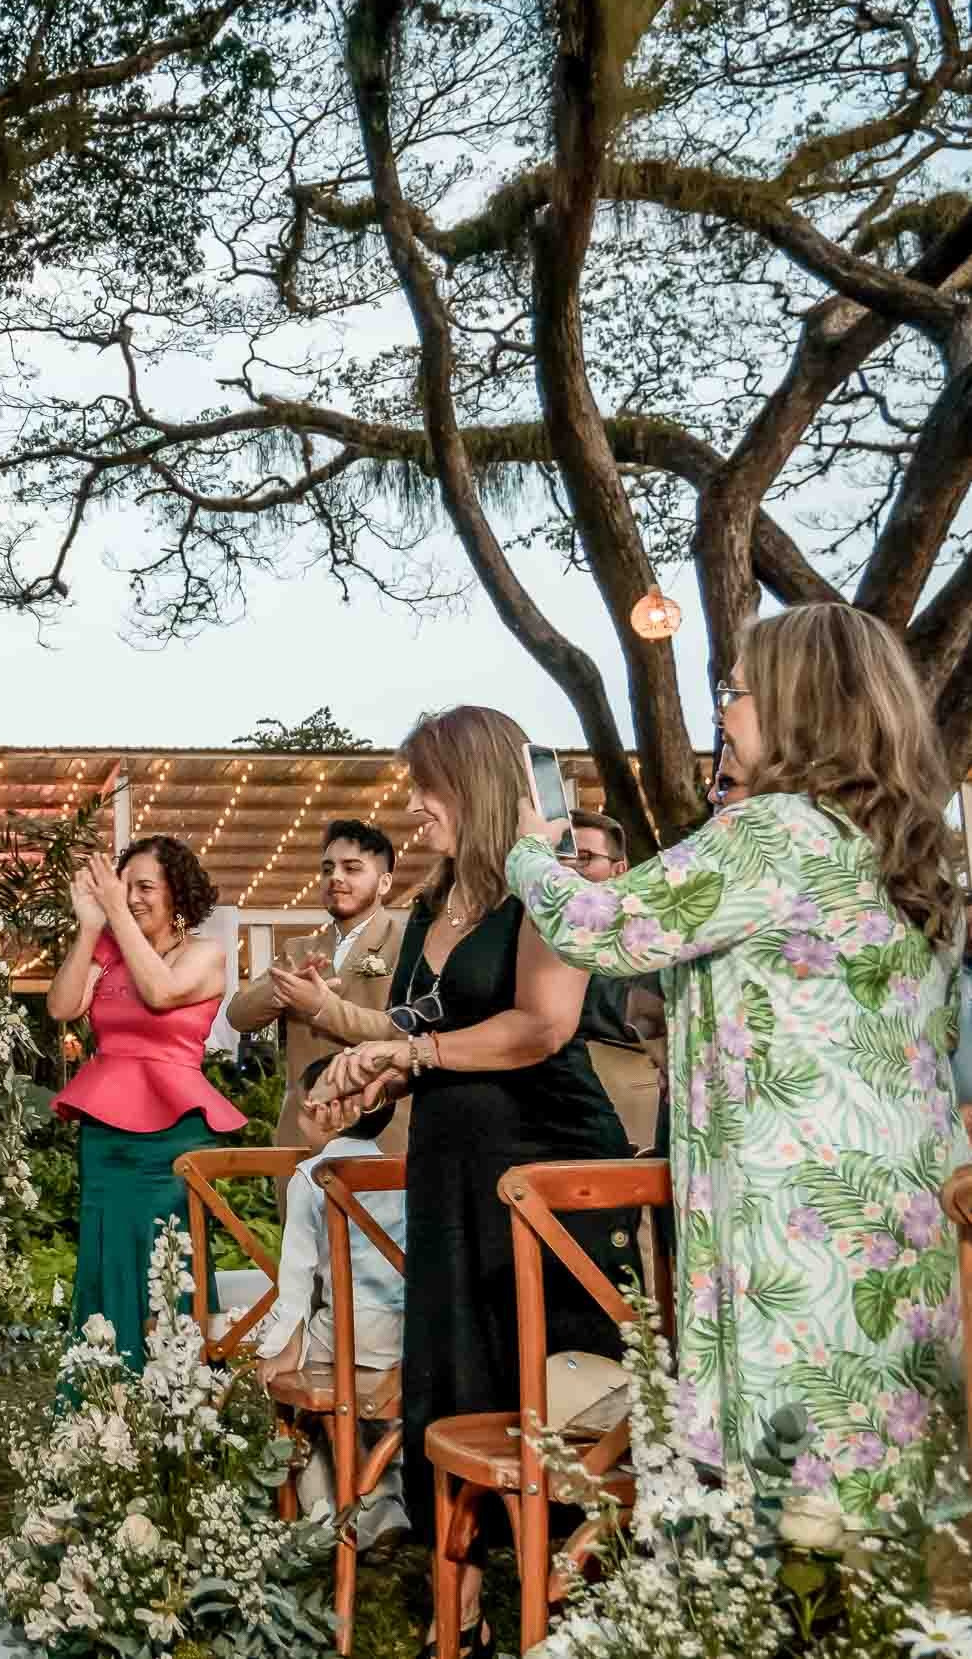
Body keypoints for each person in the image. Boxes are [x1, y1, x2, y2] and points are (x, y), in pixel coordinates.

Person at [508, 605, 968, 1516]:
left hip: (795, 1211)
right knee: (885, 1483)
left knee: (789, 1489)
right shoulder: (908, 848)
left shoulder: (772, 833)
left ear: (801, 706)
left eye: (739, 691)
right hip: (903, 1205)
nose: (723, 710)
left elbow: (599, 924)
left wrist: (528, 848)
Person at [319, 705, 630, 1657]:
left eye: (430, 788)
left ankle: (581, 1606)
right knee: (446, 1379)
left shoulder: (548, 891)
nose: (415, 807)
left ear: (479, 785)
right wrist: (366, 1074)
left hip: (546, 1174)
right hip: (449, 1174)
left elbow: (541, 1025)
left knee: (552, 1392)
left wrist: (416, 1055)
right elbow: (418, 1033)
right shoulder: (429, 905)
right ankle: (456, 1619)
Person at [46, 835, 241, 1367]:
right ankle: (106, 1390)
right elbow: (62, 1006)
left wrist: (114, 911)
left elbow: (161, 992)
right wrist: (90, 927)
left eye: (145, 887)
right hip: (106, 1134)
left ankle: (177, 1392)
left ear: (176, 892)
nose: (130, 897)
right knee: (106, 1255)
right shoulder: (107, 952)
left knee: (172, 1256)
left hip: (174, 1136)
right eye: (123, 885)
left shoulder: (204, 954)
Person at [257, 1057, 406, 1544]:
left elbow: (296, 1280)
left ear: (332, 1114)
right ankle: (385, 1503)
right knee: (374, 1413)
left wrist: (282, 1347)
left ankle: (331, 1509)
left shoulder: (311, 1177)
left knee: (303, 1391)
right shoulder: (398, 1170)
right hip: (403, 1334)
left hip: (348, 1331)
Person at [227, 819, 408, 1150]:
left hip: (382, 1133)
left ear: (384, 883)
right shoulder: (298, 951)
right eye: (327, 869)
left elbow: (404, 1034)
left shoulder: (408, 946)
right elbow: (238, 1015)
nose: (335, 877)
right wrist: (281, 990)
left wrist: (322, 1007)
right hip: (303, 1132)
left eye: (351, 868)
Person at [566, 808, 666, 1151]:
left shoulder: (648, 932)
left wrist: (556, 994)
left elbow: (638, 1014)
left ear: (619, 869)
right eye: (561, 857)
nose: (570, 868)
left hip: (626, 1107)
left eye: (584, 857)